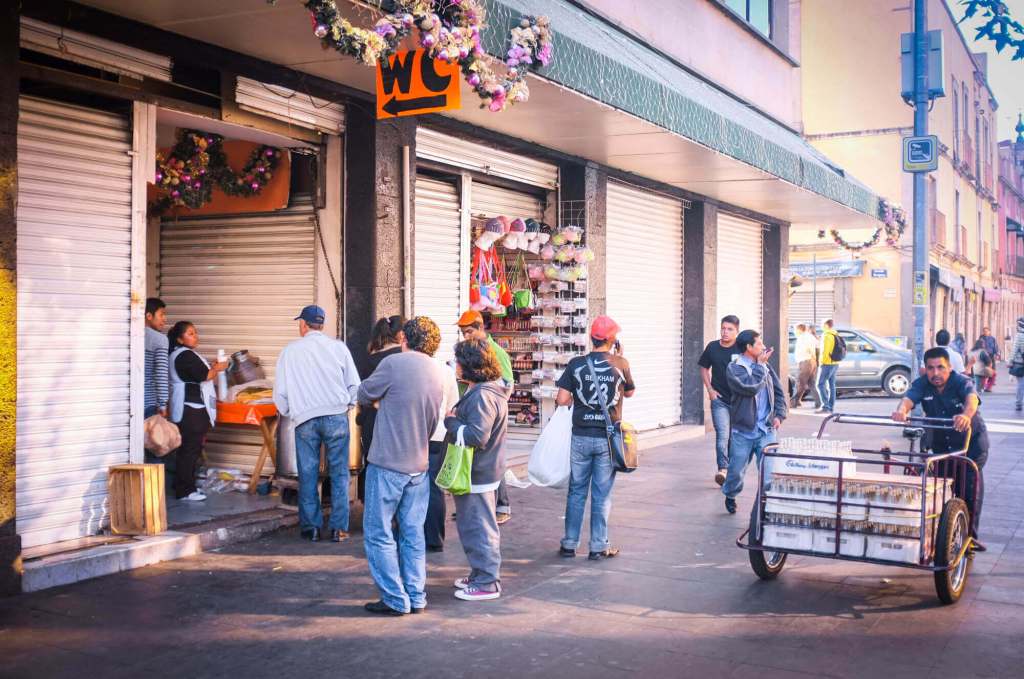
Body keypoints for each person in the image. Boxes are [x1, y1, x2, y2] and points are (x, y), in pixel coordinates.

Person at [357, 317, 446, 616]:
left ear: (404, 339)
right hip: (419, 464)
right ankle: (416, 596)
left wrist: (380, 403)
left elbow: (363, 393)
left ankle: (395, 598)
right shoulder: (438, 371)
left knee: (379, 533)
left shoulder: (394, 364)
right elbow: (432, 420)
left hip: (388, 463)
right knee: (413, 533)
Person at [274, 305, 361, 543]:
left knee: (308, 474)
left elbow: (280, 393)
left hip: (305, 420)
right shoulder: (339, 348)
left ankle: (311, 528)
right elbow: (355, 385)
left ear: (303, 324)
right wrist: (346, 406)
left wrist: (292, 412)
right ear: (321, 325)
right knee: (339, 473)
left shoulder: (289, 351)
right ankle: (338, 528)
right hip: (336, 416)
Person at [555, 316, 635, 560]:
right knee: (601, 494)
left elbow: (561, 399)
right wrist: (620, 357)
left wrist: (576, 399)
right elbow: (629, 393)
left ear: (592, 338)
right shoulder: (621, 363)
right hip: (607, 440)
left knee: (576, 491)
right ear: (612, 340)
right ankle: (598, 547)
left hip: (580, 436)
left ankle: (569, 544)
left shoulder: (576, 364)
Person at [892, 347, 988, 546]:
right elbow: (908, 399)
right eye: (930, 368)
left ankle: (969, 539)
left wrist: (965, 415)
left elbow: (972, 399)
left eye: (940, 367)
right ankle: (943, 536)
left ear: (949, 367)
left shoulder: (961, 381)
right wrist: (901, 411)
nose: (935, 373)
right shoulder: (922, 384)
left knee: (969, 490)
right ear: (925, 369)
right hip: (942, 447)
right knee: (942, 491)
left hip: (970, 445)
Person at [444, 339, 511, 601]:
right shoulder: (488, 391)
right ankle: (480, 574)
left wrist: (451, 422)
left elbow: (476, 436)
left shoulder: (483, 395)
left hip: (478, 471)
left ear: (471, 365)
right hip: (482, 470)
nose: (456, 365)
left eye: (459, 361)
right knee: (474, 525)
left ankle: (487, 582)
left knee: (479, 527)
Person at [456, 310, 515, 524]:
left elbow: (507, 384)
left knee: (491, 459)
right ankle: (470, 500)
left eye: (469, 332)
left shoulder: (497, 352)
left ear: (481, 328)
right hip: (472, 408)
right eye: (463, 333)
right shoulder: (468, 350)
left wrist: (492, 405)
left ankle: (502, 505)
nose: (466, 336)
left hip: (488, 412)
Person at [721, 330, 787, 514]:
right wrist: (760, 366)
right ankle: (730, 494)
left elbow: (778, 391)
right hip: (743, 431)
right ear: (749, 347)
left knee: (769, 473)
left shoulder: (766, 366)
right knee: (735, 472)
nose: (763, 346)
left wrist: (779, 415)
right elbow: (750, 388)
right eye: (759, 343)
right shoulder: (734, 368)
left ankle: (766, 507)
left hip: (766, 430)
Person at [167, 321, 228, 502]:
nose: (195, 336)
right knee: (190, 450)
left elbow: (199, 373)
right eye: (190, 333)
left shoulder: (181, 354)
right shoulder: (185, 355)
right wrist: (218, 368)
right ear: (180, 339)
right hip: (192, 409)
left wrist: (213, 368)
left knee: (187, 449)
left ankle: (182, 485)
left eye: (195, 333)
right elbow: (205, 376)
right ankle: (185, 491)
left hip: (187, 407)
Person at [356, 316, 405, 501]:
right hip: (397, 420)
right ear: (401, 335)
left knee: (373, 464)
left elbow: (362, 392)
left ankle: (372, 506)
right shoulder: (403, 357)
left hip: (372, 420)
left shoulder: (370, 358)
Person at [697, 315, 742, 485]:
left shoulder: (741, 348)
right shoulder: (713, 347)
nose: (725, 332)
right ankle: (723, 469)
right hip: (719, 400)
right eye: (723, 328)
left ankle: (732, 470)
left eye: (730, 329)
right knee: (723, 435)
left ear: (737, 331)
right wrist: (710, 390)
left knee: (734, 437)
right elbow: (703, 368)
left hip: (739, 402)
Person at [425, 358, 461, 552]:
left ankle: (409, 535)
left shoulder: (410, 366)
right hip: (439, 435)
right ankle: (435, 539)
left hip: (416, 435)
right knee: (435, 488)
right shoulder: (446, 370)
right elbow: (453, 407)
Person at [144, 298, 169, 420]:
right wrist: (162, 404)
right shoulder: (159, 339)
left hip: (129, 402)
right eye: (161, 314)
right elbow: (161, 373)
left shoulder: (130, 335)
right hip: (149, 404)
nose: (164, 319)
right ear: (149, 316)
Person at [791, 323, 819, 409]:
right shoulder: (810, 336)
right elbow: (817, 346)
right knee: (811, 383)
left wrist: (811, 356)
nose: (794, 331)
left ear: (799, 330)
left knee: (800, 383)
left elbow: (809, 349)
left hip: (805, 362)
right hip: (811, 362)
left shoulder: (803, 337)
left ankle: (794, 402)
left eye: (795, 330)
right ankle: (819, 402)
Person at [816, 319, 842, 413]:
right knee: (831, 385)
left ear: (826, 325)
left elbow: (825, 351)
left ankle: (825, 406)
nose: (821, 326)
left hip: (827, 363)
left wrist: (821, 362)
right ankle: (830, 407)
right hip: (835, 363)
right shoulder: (836, 334)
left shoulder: (826, 335)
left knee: (820, 384)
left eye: (822, 324)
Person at [1009, 317, 1024, 412]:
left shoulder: (1019, 335)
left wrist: (1010, 361)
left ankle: (1019, 403)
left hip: (1020, 363)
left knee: (1020, 384)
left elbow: (1014, 350)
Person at [978, 327, 1000, 391]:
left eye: (987, 331)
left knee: (993, 368)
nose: (985, 332)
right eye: (984, 331)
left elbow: (995, 347)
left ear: (989, 332)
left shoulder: (992, 339)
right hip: (984, 355)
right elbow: (978, 346)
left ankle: (991, 382)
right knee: (985, 369)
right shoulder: (981, 338)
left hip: (991, 355)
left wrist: (997, 354)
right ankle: (983, 384)